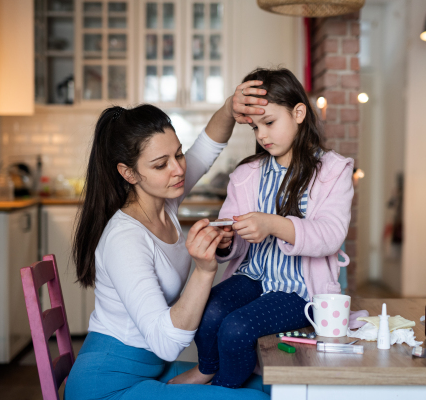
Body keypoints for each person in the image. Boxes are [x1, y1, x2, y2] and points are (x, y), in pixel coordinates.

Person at [64, 81, 273, 400]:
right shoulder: (125, 239)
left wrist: (233, 105)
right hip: (108, 386)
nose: (178, 169)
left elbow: (206, 148)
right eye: (161, 164)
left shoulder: (164, 200)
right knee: (257, 398)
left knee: (270, 384)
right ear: (129, 173)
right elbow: (165, 341)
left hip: (151, 371)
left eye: (177, 154)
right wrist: (204, 271)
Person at [170, 67, 356, 388]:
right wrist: (227, 240)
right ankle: (207, 368)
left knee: (236, 329)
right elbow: (235, 244)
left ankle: (226, 388)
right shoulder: (248, 173)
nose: (262, 136)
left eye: (269, 123)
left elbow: (330, 235)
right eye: (256, 127)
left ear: (298, 113)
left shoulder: (333, 170)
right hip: (252, 276)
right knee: (209, 312)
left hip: (299, 290)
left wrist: (273, 224)